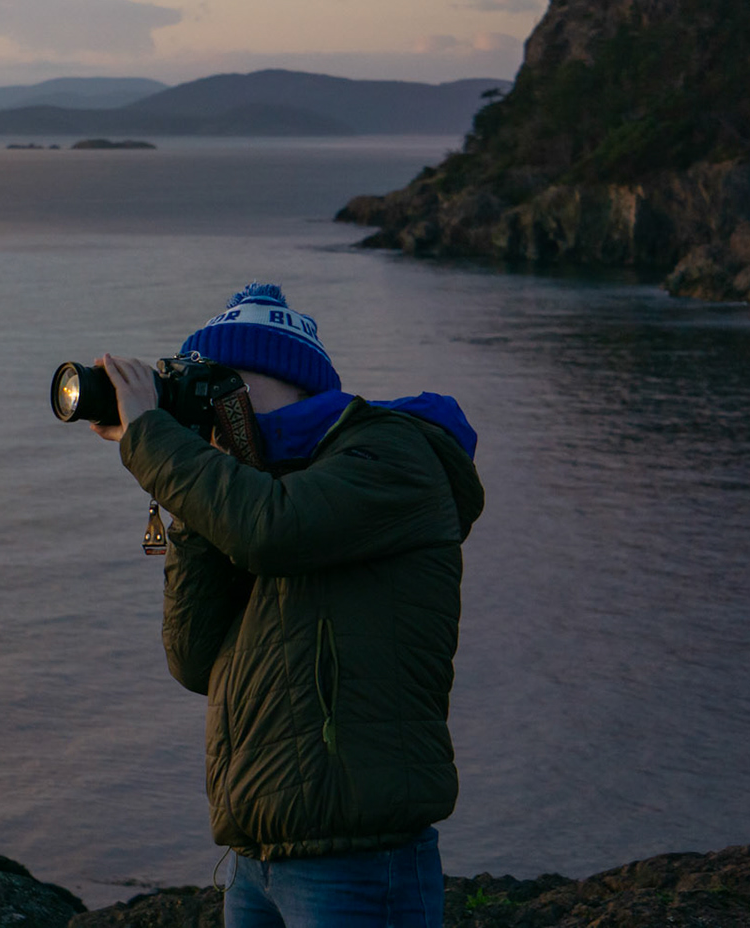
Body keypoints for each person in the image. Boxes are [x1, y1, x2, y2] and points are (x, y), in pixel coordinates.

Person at [90, 283, 483, 928]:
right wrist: (194, 502)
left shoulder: (391, 455)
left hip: (358, 864)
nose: (204, 394)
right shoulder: (256, 488)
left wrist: (159, 443)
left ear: (289, 383)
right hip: (254, 863)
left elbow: (274, 530)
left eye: (218, 379)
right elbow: (193, 660)